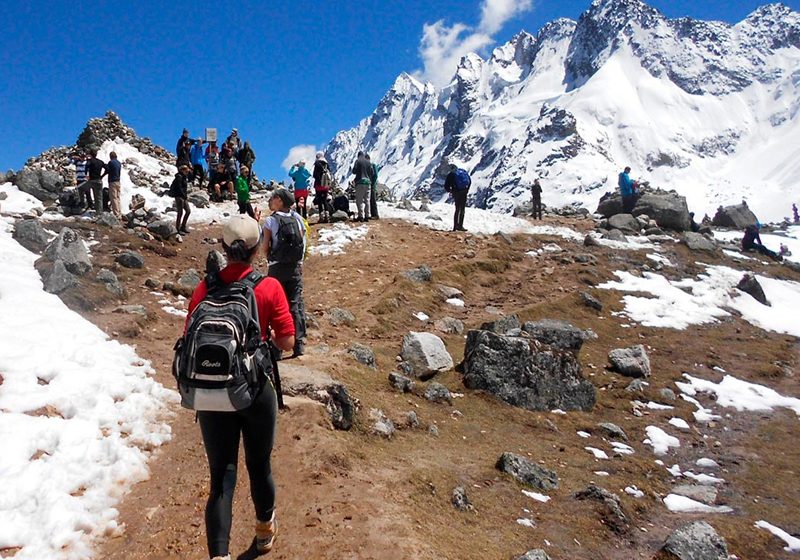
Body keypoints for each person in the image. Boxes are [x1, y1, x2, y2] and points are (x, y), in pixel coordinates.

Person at [185, 214, 294, 560]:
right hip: (254, 388)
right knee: (258, 466)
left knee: (221, 478)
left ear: (222, 248)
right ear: (257, 248)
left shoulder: (205, 288)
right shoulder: (268, 287)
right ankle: (264, 532)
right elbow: (289, 341)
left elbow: (187, 336)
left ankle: (219, 555)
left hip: (211, 393)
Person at [263, 188, 307, 358]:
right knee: (295, 305)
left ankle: (276, 347)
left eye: (273, 197)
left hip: (276, 268)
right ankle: (299, 344)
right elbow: (302, 242)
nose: (271, 200)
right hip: (294, 267)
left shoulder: (270, 221)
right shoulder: (298, 219)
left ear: (280, 201)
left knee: (276, 306)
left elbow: (265, 246)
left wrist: (270, 258)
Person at [444, 164, 470, 231]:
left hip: (456, 193)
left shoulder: (451, 174)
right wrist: (466, 190)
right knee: (462, 210)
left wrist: (451, 191)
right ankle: (461, 226)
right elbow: (469, 181)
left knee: (457, 209)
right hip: (464, 192)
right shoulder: (462, 172)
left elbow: (446, 186)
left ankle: (455, 227)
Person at [170, 165, 192, 234]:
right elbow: (179, 188)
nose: (187, 171)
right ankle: (178, 228)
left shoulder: (184, 177)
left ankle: (183, 226)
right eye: (186, 170)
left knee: (188, 211)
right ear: (182, 170)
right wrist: (183, 195)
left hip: (183, 197)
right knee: (180, 213)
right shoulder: (179, 177)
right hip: (179, 197)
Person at [351, 152, 372, 222]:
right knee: (367, 200)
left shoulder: (358, 161)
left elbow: (354, 171)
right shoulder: (368, 162)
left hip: (360, 182)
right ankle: (367, 216)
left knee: (359, 201)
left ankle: (360, 216)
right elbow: (372, 172)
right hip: (368, 182)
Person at [312, 152, 332, 221]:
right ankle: (327, 216)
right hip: (325, 185)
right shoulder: (326, 163)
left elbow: (314, 175)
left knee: (319, 201)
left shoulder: (317, 163)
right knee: (325, 200)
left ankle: (321, 217)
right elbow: (330, 172)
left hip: (318, 185)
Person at [106, 151, 123, 219]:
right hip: (118, 181)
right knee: (118, 197)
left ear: (111, 156)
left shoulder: (111, 162)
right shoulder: (119, 163)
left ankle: (116, 214)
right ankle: (119, 212)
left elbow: (107, 169)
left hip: (112, 181)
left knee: (113, 198)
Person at [367, 154, 380, 220]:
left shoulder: (373, 165)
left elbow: (376, 175)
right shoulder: (368, 166)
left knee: (373, 199)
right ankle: (372, 214)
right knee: (370, 200)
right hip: (369, 184)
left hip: (372, 184)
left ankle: (375, 214)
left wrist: (373, 183)